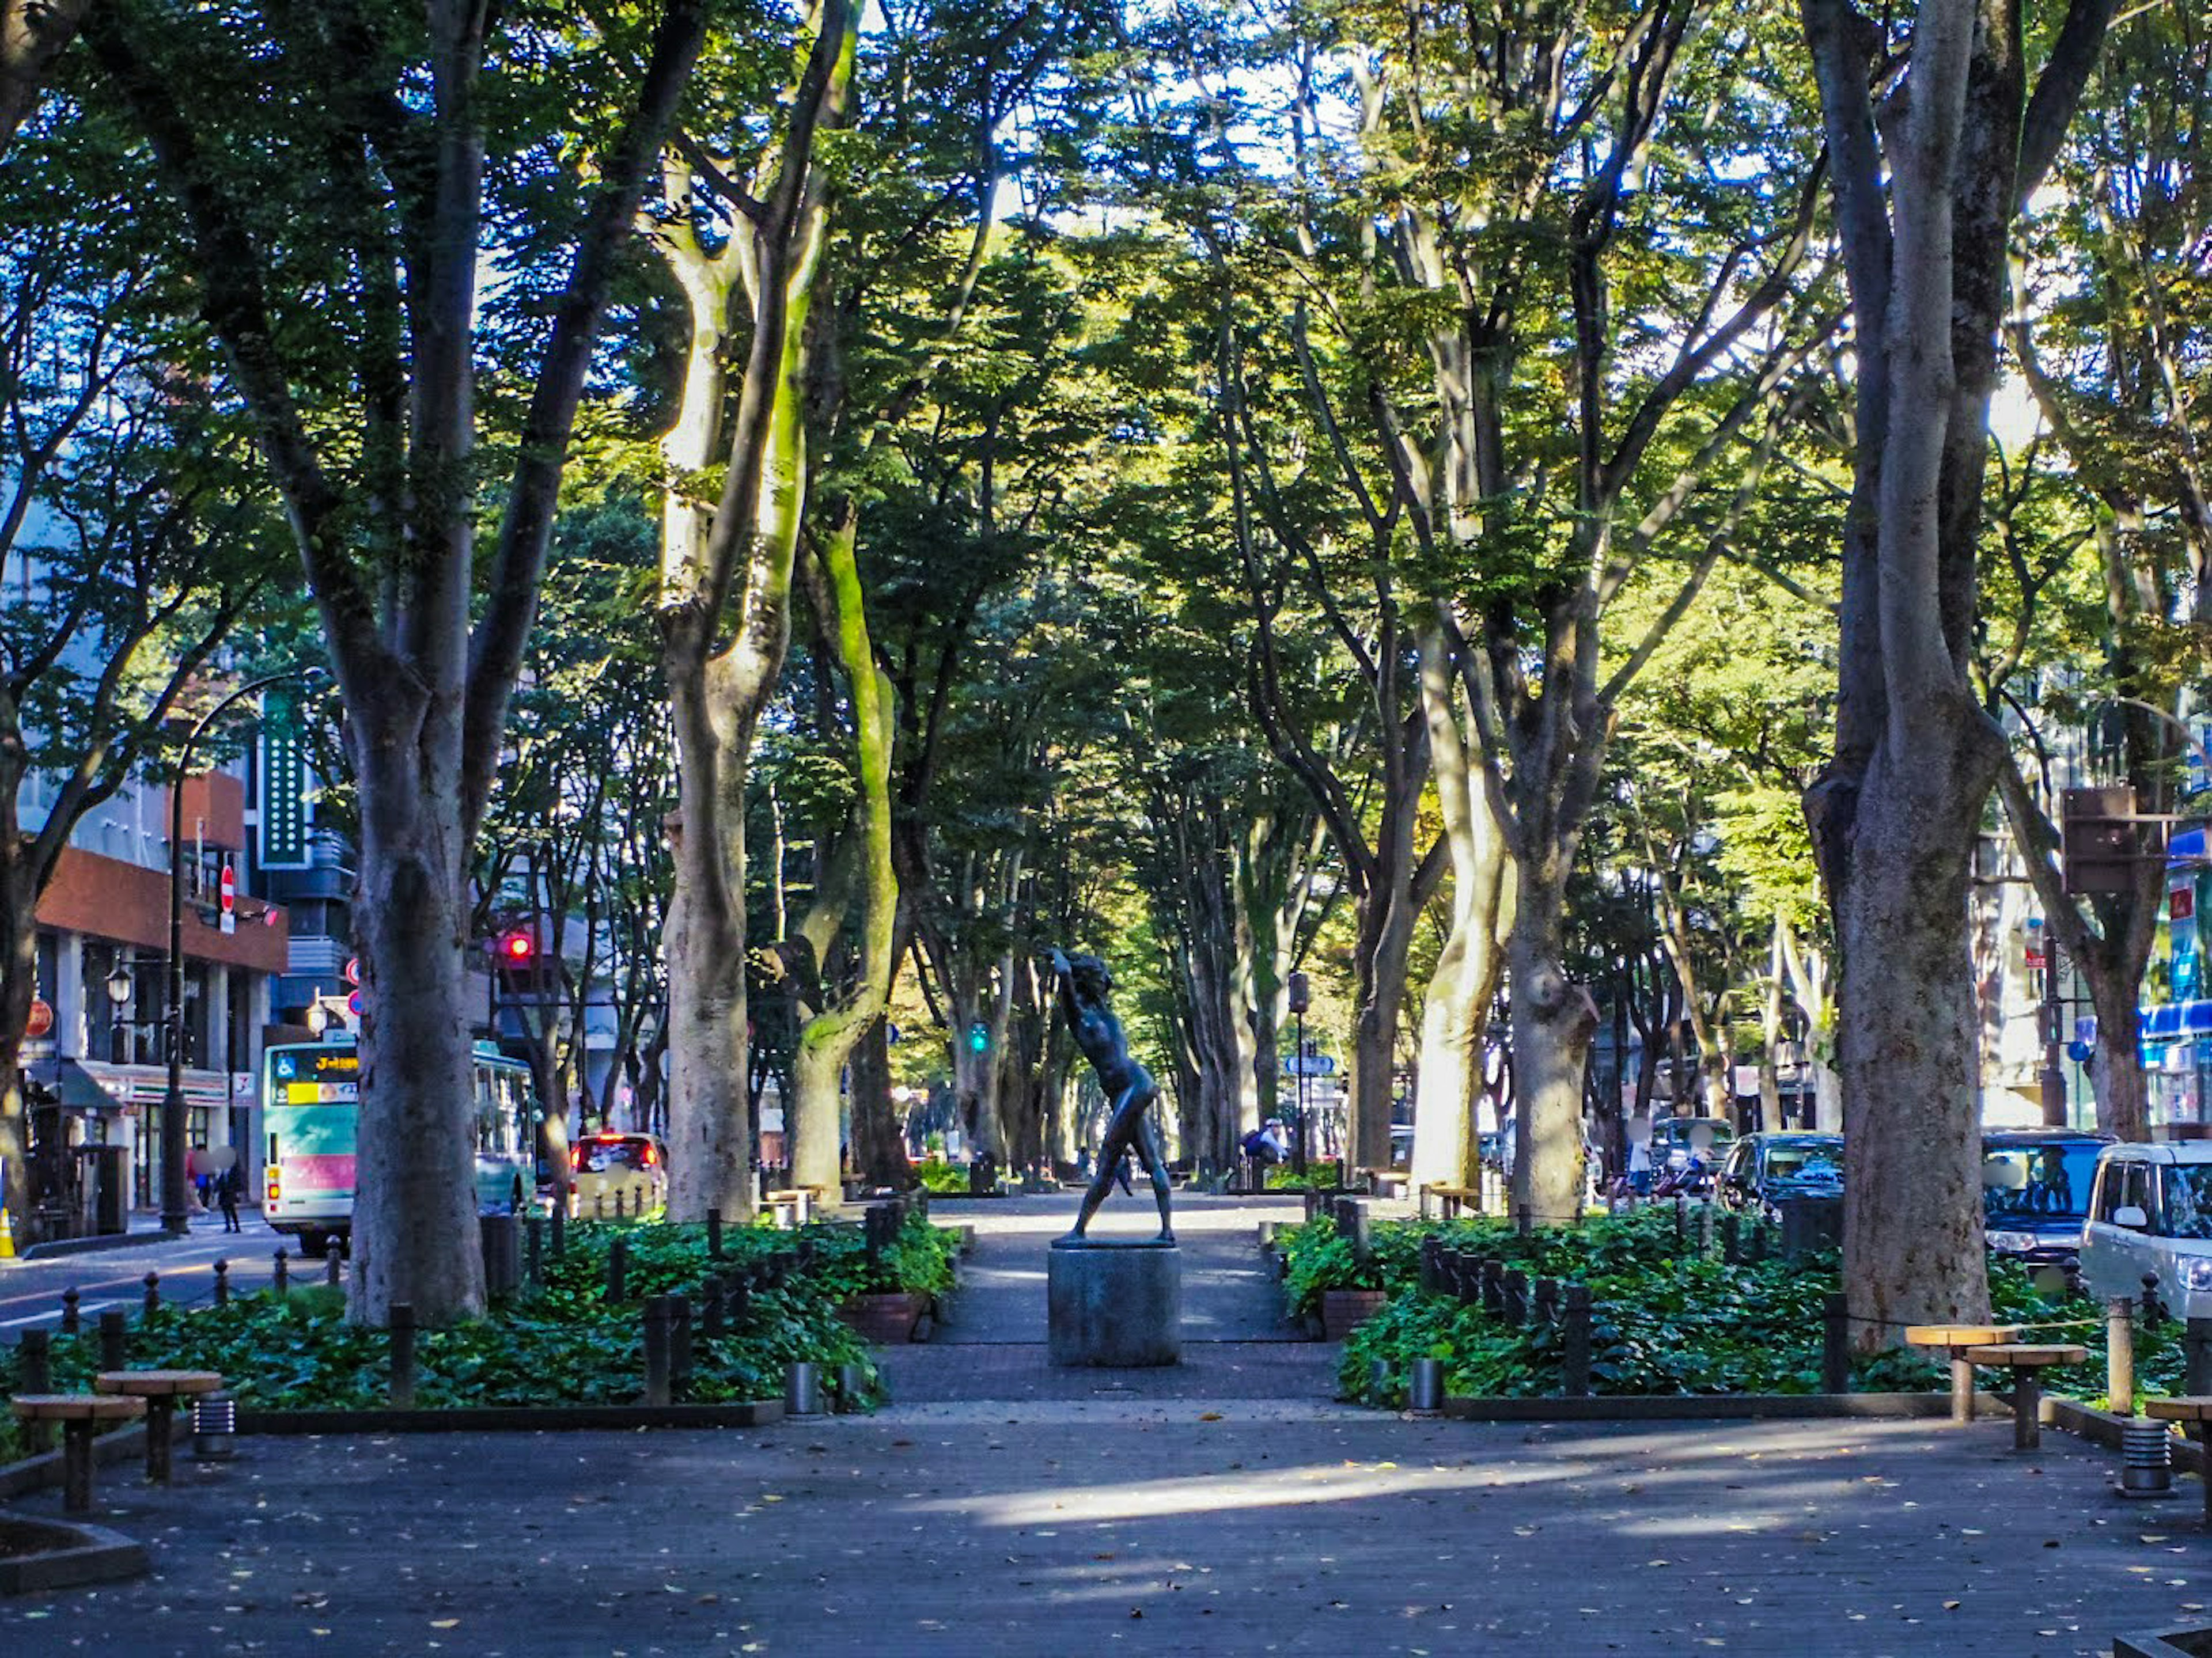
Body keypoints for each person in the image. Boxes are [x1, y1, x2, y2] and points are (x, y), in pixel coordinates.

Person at [1051, 947, 1172, 1243]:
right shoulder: (1081, 1017)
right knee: (1151, 1160)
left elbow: (1065, 971)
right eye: (1097, 978)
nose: (1103, 982)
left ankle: (1079, 1231)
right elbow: (1067, 977)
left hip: (1132, 1086)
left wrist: (1056, 951)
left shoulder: (1094, 1016)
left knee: (1107, 1162)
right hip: (1131, 1088)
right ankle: (1167, 1232)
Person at [217, 1161, 243, 1233]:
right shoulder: (222, 1171)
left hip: (231, 1192)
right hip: (224, 1193)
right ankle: (228, 1226)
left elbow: (237, 1181)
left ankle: (237, 1226)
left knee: (232, 1210)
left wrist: (237, 1192)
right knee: (225, 1210)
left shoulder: (234, 1170)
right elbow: (220, 1181)